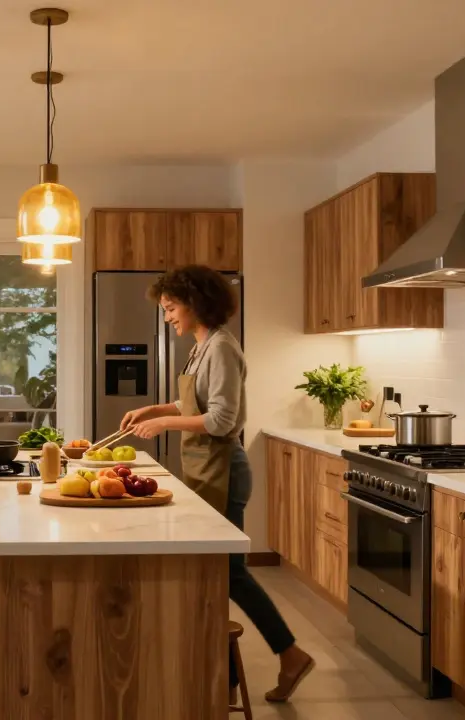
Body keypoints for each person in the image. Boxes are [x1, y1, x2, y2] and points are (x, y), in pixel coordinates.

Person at [121, 264, 316, 704]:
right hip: (205, 466)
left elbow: (222, 419)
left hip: (224, 468)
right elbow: (194, 402)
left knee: (228, 572)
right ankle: (226, 677)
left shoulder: (223, 348)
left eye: (171, 307)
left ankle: (288, 655)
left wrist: (165, 423)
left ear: (195, 303)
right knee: (217, 572)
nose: (167, 316)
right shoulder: (202, 347)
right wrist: (155, 409)